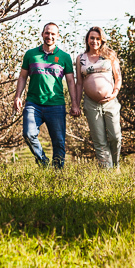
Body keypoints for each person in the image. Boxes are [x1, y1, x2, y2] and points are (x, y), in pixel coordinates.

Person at [13, 22, 80, 168]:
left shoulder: (64, 57)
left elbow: (70, 81)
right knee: (28, 134)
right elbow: (23, 76)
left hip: (56, 104)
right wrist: (18, 96)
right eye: (47, 33)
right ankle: (43, 162)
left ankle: (57, 173)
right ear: (42, 34)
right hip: (33, 103)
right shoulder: (31, 54)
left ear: (58, 36)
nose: (49, 36)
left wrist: (74, 104)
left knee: (58, 141)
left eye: (53, 34)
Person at [75, 26, 122, 169]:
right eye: (92, 38)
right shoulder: (81, 58)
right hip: (91, 103)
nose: (94, 41)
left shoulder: (110, 55)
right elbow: (79, 83)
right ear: (87, 39)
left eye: (97, 38)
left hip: (110, 102)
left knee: (115, 137)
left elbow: (118, 77)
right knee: (99, 140)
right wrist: (75, 104)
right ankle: (107, 172)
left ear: (102, 40)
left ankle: (115, 166)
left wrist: (114, 93)